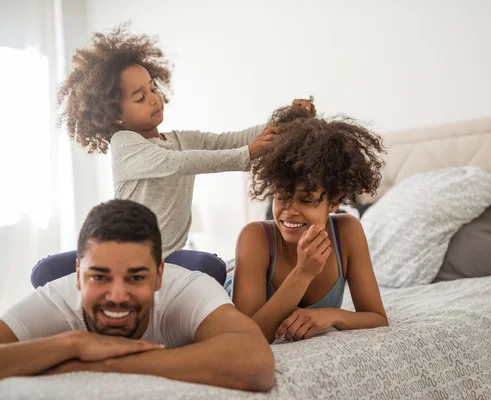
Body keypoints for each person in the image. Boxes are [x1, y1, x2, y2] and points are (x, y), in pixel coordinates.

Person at [31, 24, 315, 288]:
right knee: (44, 271)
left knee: (211, 266)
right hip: (120, 253)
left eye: (153, 88)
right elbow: (177, 163)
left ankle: (141, 289)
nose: (154, 98)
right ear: (115, 115)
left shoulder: (182, 140)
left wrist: (287, 121)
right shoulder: (124, 145)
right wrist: (247, 154)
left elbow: (231, 140)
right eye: (140, 97)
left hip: (165, 260)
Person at [0, 199, 274, 392]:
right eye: (99, 276)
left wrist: (100, 364)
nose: (117, 295)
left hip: (190, 270)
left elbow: (256, 362)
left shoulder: (187, 288)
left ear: (158, 276)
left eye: (136, 277)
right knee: (45, 271)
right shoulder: (56, 299)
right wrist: (73, 344)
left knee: (210, 267)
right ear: (78, 276)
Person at [225, 106, 389, 343]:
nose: (290, 210)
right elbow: (245, 337)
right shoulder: (255, 238)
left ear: (333, 201)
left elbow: (377, 317)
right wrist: (303, 273)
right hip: (228, 277)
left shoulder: (347, 233)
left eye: (307, 199)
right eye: (282, 196)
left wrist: (331, 316)